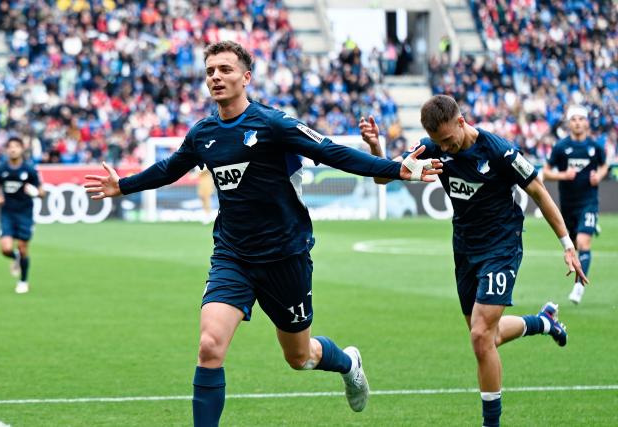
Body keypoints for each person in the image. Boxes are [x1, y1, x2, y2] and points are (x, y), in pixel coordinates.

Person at [84, 41, 442, 426]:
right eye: (210, 72)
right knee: (209, 347)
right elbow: (171, 168)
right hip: (233, 256)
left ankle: (348, 362)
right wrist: (124, 185)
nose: (216, 77)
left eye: (225, 69)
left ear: (246, 77)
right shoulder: (203, 133)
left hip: (285, 256)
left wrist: (395, 169)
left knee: (299, 357)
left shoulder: (275, 125)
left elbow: (332, 152)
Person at [360, 95, 587, 427]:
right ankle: (543, 322)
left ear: (462, 122)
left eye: (449, 140)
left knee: (480, 336)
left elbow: (538, 190)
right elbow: (383, 177)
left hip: (501, 246)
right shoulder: (434, 148)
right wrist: (376, 147)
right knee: (487, 337)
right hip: (465, 247)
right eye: (439, 143)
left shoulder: (500, 151)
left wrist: (567, 244)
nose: (446, 148)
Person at [542, 105, 608, 304]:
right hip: (568, 205)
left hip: (588, 202)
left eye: (581, 119)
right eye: (574, 119)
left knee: (582, 242)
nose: (578, 122)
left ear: (586, 122)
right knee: (574, 245)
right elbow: (545, 172)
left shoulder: (595, 147)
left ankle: (579, 287)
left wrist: (600, 175)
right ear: (569, 123)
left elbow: (604, 165)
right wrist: (563, 175)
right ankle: (589, 225)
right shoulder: (561, 147)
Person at [0, 136, 45, 294]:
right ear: (7, 150)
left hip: (25, 213)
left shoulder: (29, 170)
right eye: (10, 146)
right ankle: (14, 257)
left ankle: (23, 281)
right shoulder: (1, 169)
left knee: (23, 248)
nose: (13, 149)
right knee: (5, 248)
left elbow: (42, 192)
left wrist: (36, 192)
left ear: (22, 149)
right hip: (7, 213)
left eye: (16, 146)